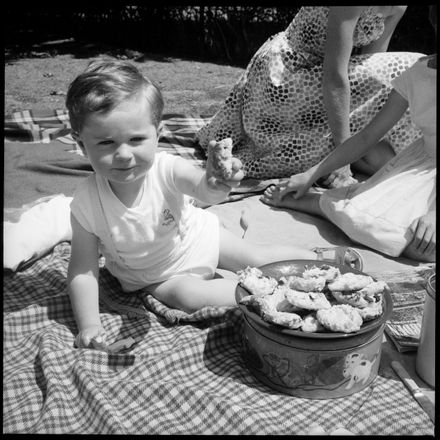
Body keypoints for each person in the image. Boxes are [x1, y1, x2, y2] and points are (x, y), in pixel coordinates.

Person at [66, 59, 362, 349]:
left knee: (258, 258)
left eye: (136, 139)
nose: (124, 155)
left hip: (202, 237)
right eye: (106, 143)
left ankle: (318, 265)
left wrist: (216, 182)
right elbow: (83, 270)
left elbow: (201, 189)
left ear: (157, 135)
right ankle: (278, 295)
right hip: (158, 277)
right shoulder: (87, 203)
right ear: (80, 145)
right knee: (190, 297)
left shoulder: (166, 168)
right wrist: (89, 324)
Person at [261, 6, 436, 263]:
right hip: (424, 167)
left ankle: (335, 204)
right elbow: (366, 137)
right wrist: (311, 174)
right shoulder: (418, 73)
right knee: (403, 238)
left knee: (424, 246)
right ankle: (320, 203)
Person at [196, 6, 424, 186]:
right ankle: (344, 157)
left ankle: (360, 152)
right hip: (285, 75)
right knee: (411, 68)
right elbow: (334, 76)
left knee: (394, 159)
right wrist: (342, 162)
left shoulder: (398, 6)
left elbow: (372, 67)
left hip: (316, 81)